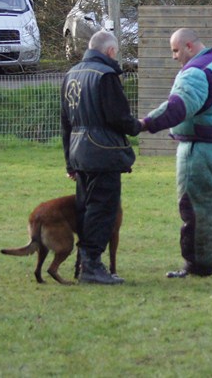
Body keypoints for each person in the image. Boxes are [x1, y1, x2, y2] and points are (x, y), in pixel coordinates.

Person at [140, 28, 212, 278]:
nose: (174, 57)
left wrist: (146, 123)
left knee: (198, 208)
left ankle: (198, 265)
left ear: (189, 46)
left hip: (204, 150)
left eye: (176, 50)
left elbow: (179, 107)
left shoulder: (195, 74)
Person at [61, 29, 142, 285]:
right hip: (102, 152)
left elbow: (65, 123)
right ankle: (92, 265)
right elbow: (118, 117)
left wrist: (69, 161)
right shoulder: (105, 76)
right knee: (103, 210)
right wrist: (137, 126)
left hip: (79, 151)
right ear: (110, 51)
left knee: (86, 208)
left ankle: (82, 263)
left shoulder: (71, 74)